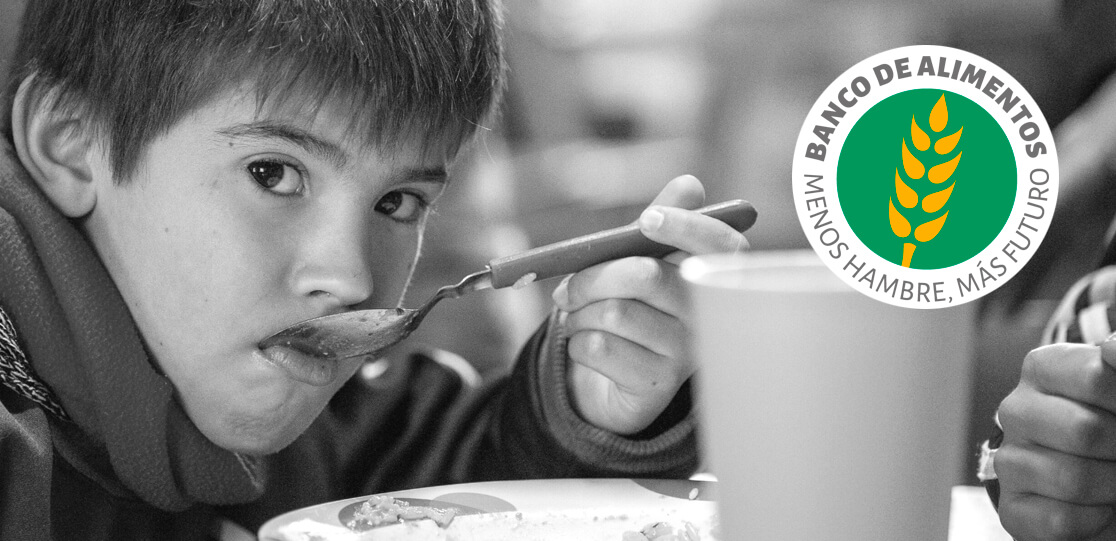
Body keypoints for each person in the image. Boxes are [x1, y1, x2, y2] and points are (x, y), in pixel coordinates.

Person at [0, 1, 749, 539]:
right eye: (274, 172)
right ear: (70, 142)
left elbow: (462, 483)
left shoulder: (317, 422)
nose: (352, 277)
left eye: (397, 201)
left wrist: (589, 406)